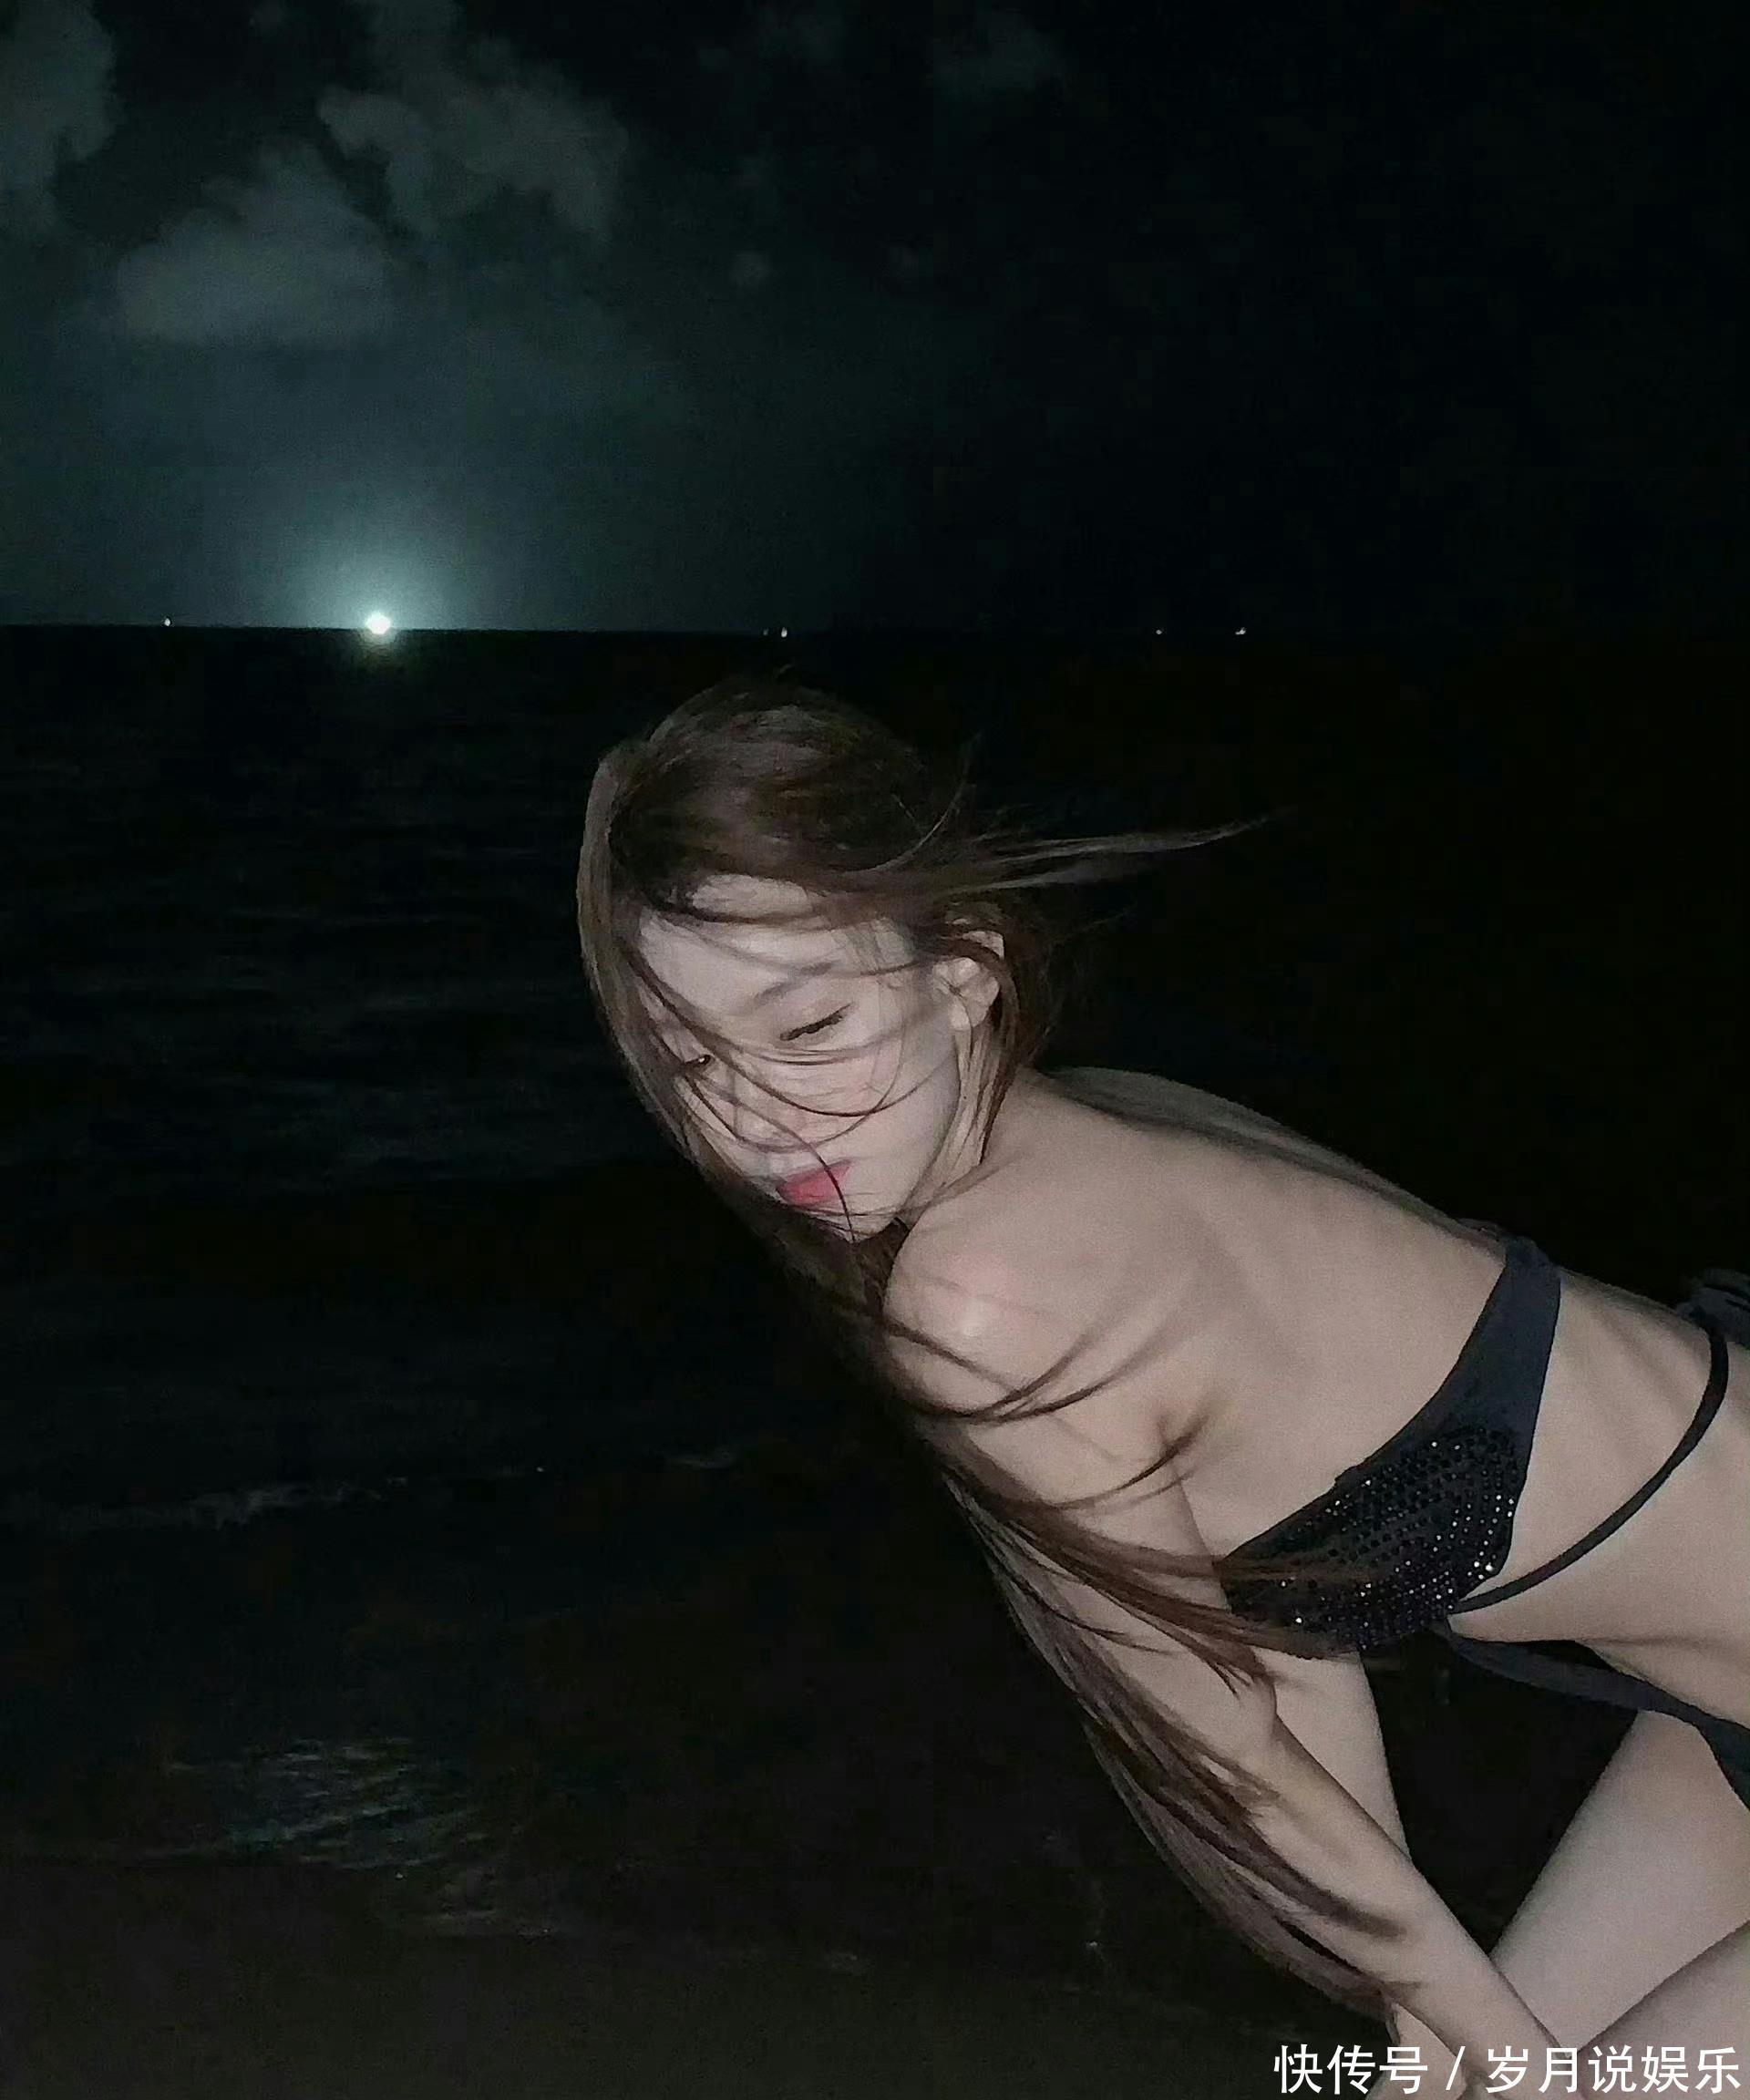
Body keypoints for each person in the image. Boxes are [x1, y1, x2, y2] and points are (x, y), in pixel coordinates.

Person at [575, 677, 1750, 2093]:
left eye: (808, 1030)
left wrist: (1496, 2062)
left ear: (965, 972)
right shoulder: (1095, 1119)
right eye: (693, 1061)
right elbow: (1277, 1641)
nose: (757, 1121)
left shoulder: (989, 1292)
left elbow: (1227, 1754)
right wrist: (1435, 2035)